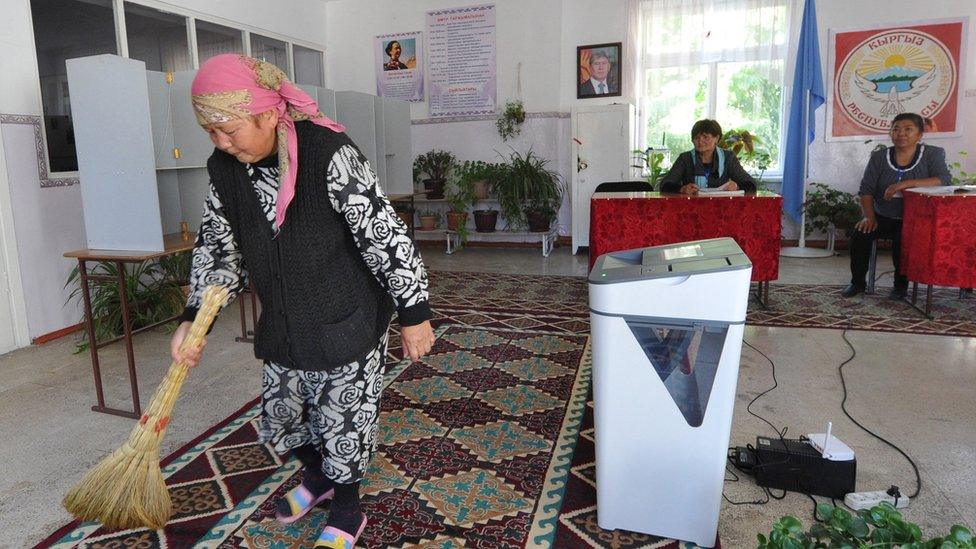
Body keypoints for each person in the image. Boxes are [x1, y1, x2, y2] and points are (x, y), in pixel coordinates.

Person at [170, 54, 435, 548]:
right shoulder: (225, 169)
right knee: (285, 414)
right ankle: (316, 478)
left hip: (345, 312)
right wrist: (195, 319)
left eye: (229, 129)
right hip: (286, 319)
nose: (221, 142)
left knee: (343, 418)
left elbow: (383, 233)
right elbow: (218, 247)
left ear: (269, 114)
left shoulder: (328, 152)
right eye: (210, 132)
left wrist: (414, 313)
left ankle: (348, 506)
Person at [841, 112, 951, 299]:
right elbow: (866, 190)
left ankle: (900, 287)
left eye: (908, 129)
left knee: (904, 239)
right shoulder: (879, 157)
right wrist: (869, 217)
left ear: (919, 135)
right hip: (883, 215)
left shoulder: (933, 154)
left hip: (914, 218)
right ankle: (857, 282)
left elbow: (944, 180)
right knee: (860, 234)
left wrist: (905, 184)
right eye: (896, 129)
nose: (901, 134)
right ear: (890, 133)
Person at [659, 119, 757, 194]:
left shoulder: (728, 157)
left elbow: (751, 184)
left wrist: (737, 187)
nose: (700, 141)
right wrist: (682, 189)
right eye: (696, 138)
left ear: (717, 138)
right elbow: (665, 185)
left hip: (722, 209)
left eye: (705, 137)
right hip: (690, 209)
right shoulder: (685, 158)